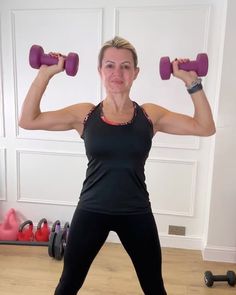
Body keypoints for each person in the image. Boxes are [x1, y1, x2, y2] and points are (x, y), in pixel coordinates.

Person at [19, 36, 215, 295]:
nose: (117, 72)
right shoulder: (85, 114)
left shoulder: (149, 115)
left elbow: (205, 127)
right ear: (100, 71)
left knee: (154, 287)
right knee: (68, 284)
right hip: (91, 210)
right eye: (110, 65)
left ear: (135, 73)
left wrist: (192, 82)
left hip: (136, 212)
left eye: (125, 66)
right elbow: (28, 120)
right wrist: (45, 74)